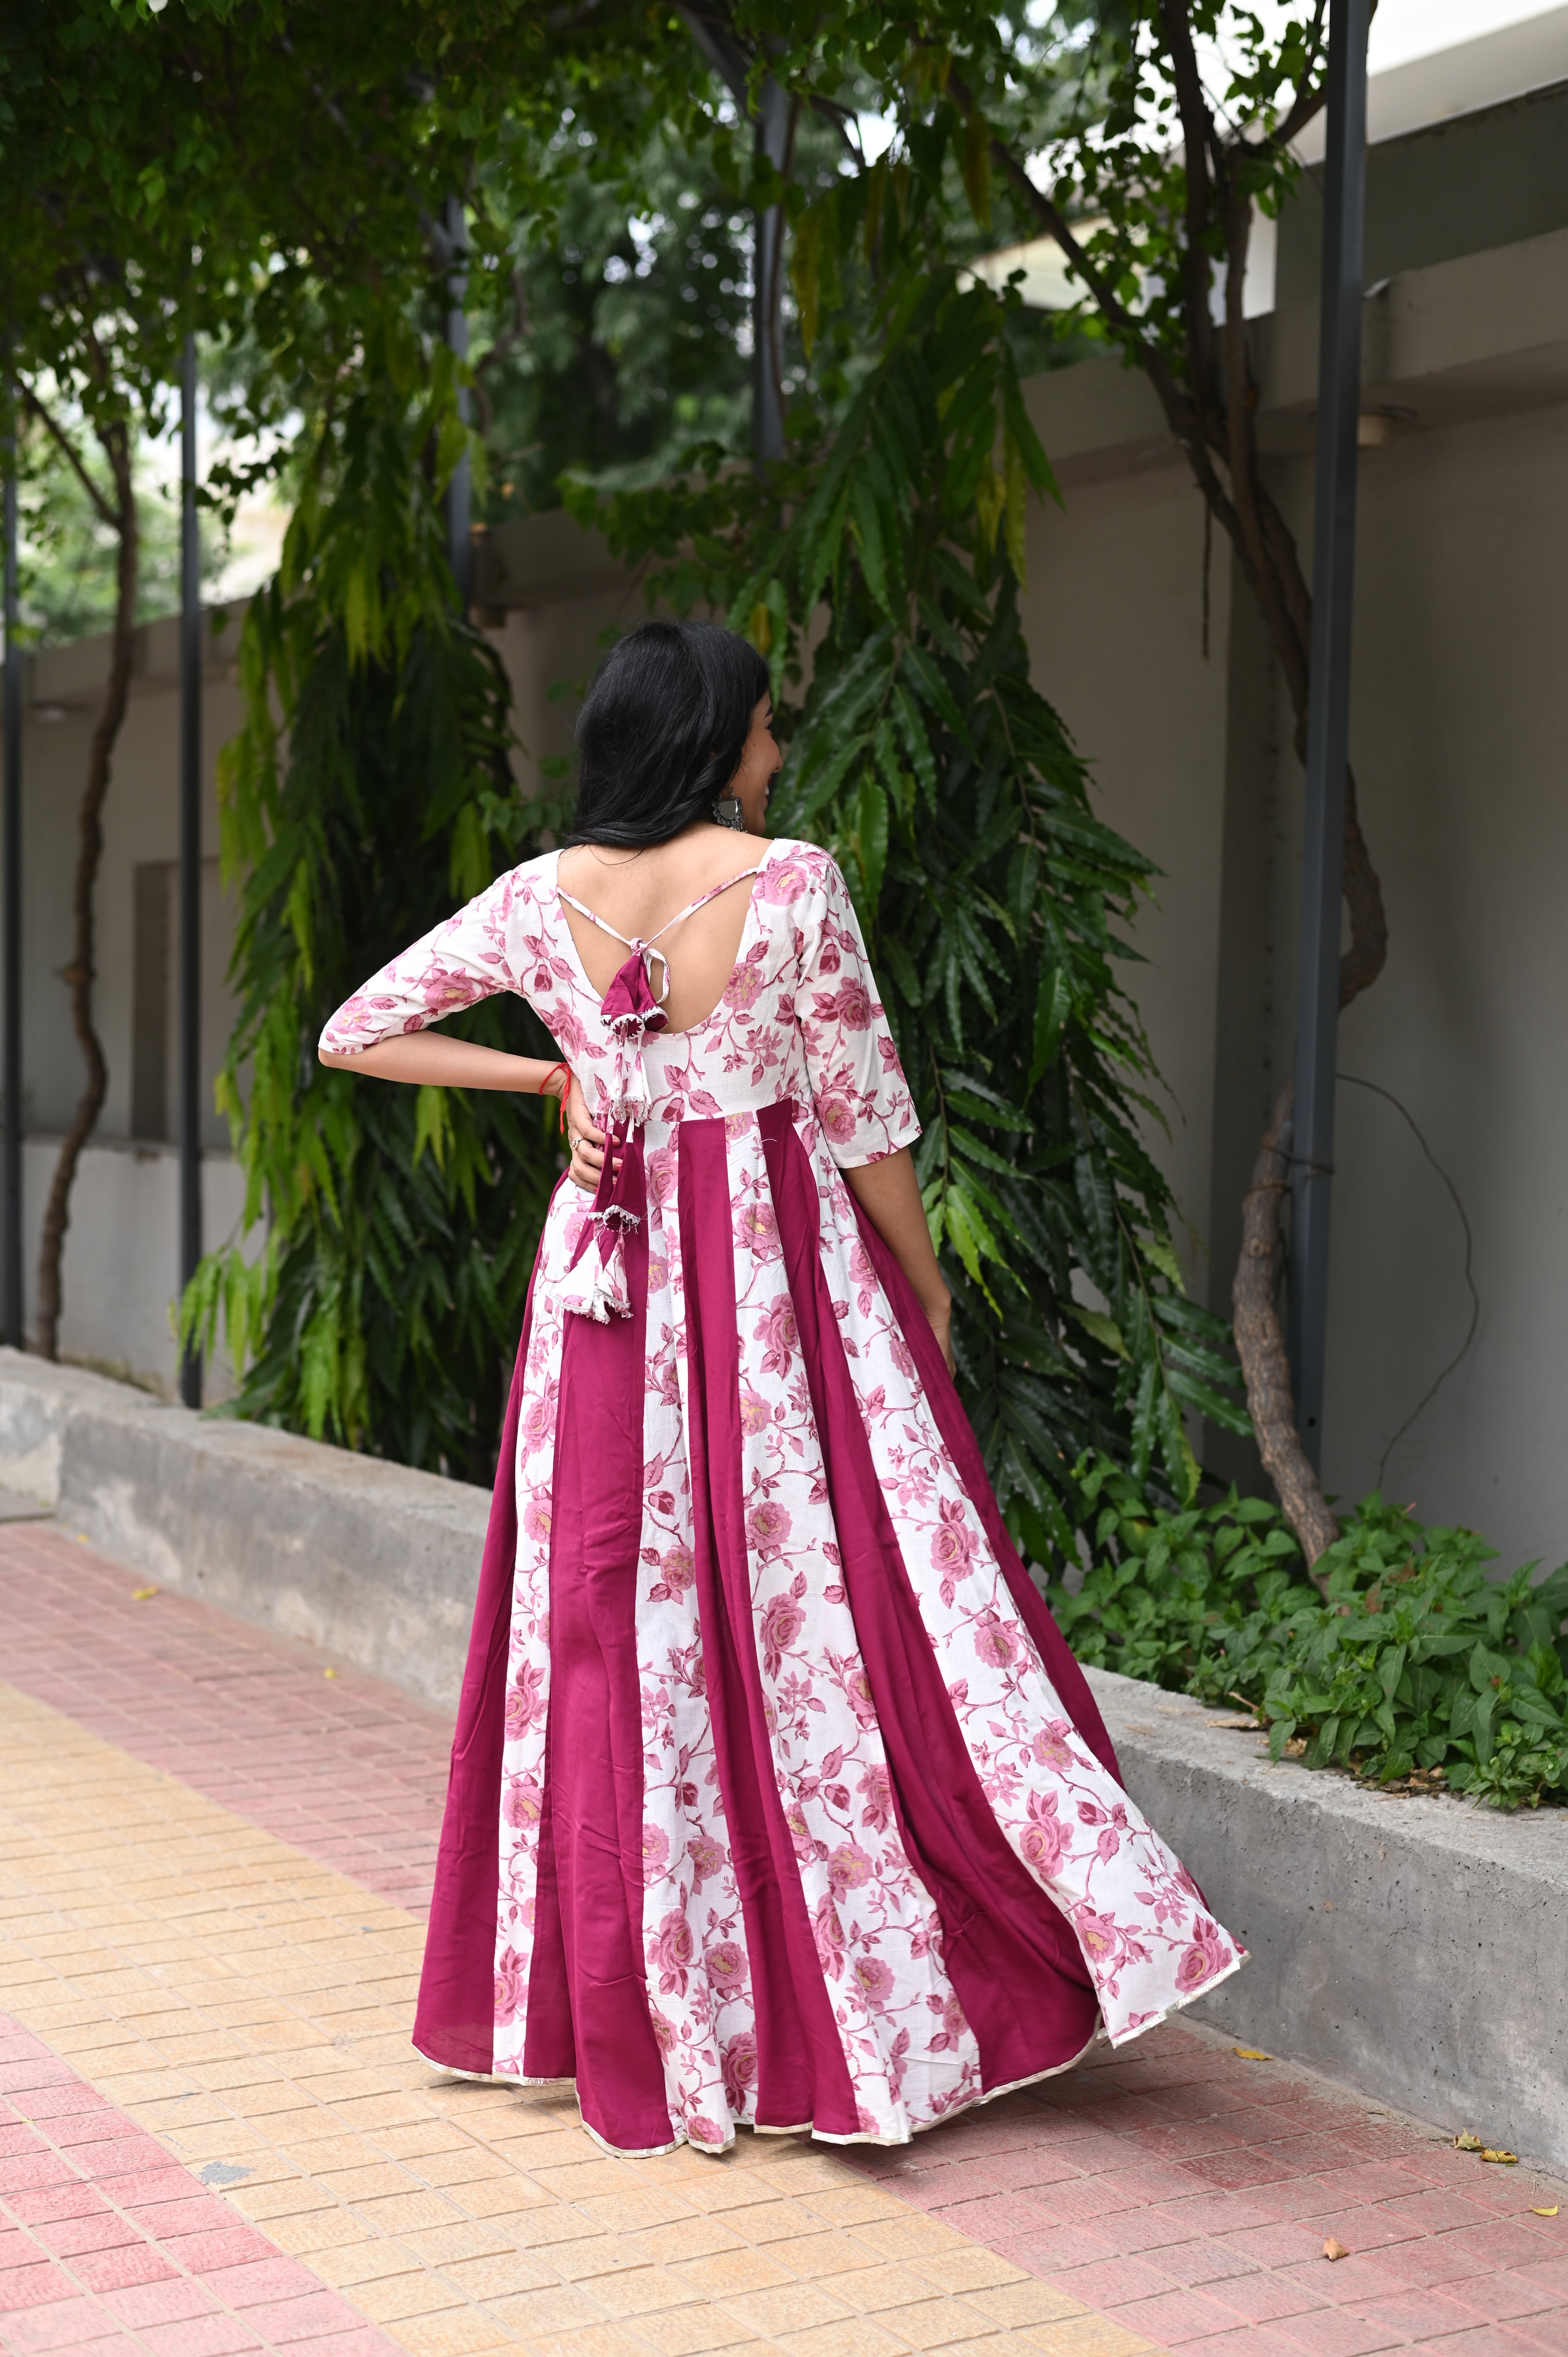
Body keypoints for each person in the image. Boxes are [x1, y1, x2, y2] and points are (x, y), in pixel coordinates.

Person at [319, 617, 1243, 2160]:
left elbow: (358, 1032)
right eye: (758, 727)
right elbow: (864, 1112)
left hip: (607, 1296)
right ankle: (865, 1991)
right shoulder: (793, 884)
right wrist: (926, 1287)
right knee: (819, 1614)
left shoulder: (537, 903)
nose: (774, 750)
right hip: (768, 1287)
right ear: (706, 740)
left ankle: (654, 2003)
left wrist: (553, 1075)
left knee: (625, 1630)